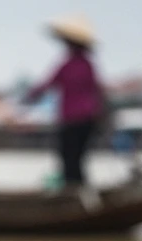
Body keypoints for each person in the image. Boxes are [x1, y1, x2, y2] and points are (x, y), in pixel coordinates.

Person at [24, 15, 104, 188]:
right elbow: (98, 91)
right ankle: (77, 189)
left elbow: (47, 84)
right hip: (86, 119)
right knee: (76, 157)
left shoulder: (70, 65)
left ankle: (73, 191)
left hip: (74, 120)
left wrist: (29, 97)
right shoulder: (86, 65)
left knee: (69, 157)